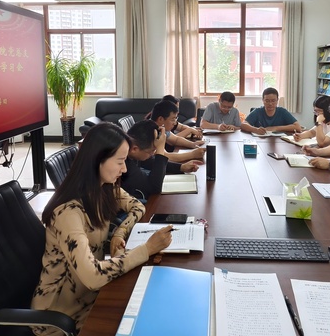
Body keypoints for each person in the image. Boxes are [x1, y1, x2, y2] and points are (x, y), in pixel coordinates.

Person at [31, 123, 173, 335]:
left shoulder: (104, 188)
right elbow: (92, 276)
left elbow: (138, 207)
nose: (125, 169)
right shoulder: (68, 213)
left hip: (91, 296)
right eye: (120, 161)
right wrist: (146, 249)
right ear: (97, 160)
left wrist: (119, 233)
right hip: (60, 316)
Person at [122, 119, 202, 200]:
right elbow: (154, 187)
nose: (152, 154)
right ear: (134, 149)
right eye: (151, 151)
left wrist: (181, 167)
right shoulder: (124, 163)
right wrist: (160, 148)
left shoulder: (134, 152)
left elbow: (150, 162)